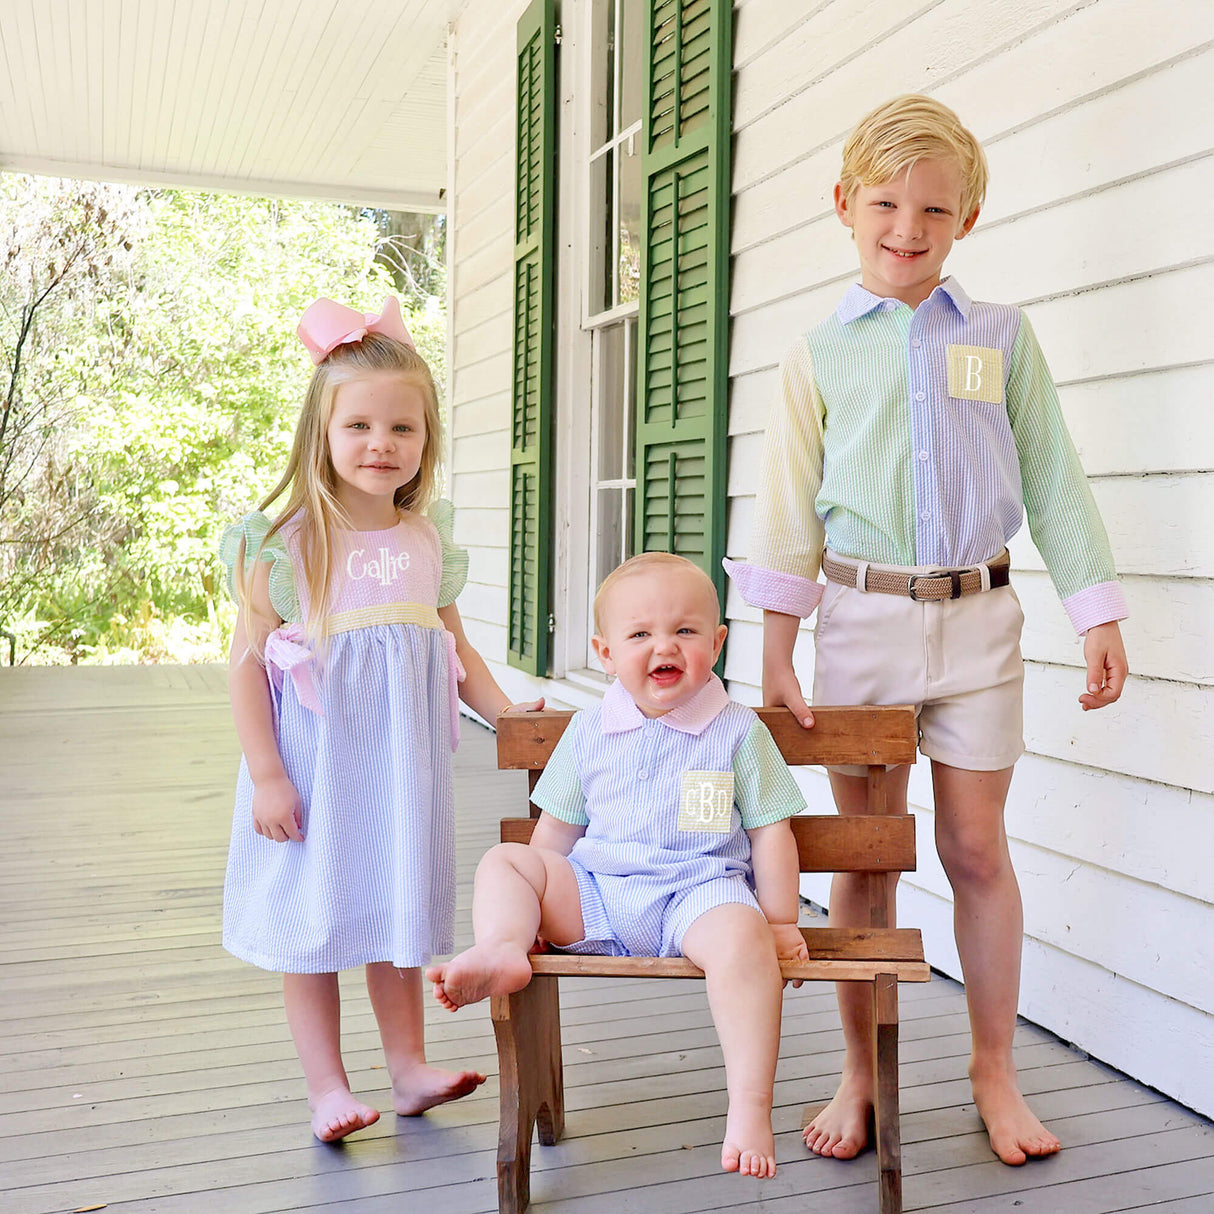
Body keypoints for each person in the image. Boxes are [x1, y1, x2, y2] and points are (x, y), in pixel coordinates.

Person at [723, 95, 1129, 1168]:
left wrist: (1094, 611)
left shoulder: (998, 338)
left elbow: (1050, 474)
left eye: (933, 209)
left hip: (979, 626)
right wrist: (773, 640)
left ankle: (990, 1065)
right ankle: (858, 1070)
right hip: (858, 625)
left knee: (972, 847)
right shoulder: (814, 354)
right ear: (843, 204)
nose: (907, 226)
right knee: (866, 858)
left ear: (968, 217)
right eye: (886, 203)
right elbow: (784, 502)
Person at [220, 296, 542, 1143]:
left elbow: (456, 656)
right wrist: (266, 774)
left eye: (402, 428)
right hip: (317, 773)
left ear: (426, 441)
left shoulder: (426, 543)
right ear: (319, 436)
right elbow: (247, 668)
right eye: (358, 425)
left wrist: (509, 715)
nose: (379, 444)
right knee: (315, 925)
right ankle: (328, 1088)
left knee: (396, 918)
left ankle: (408, 1071)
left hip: (400, 774)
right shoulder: (290, 545)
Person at [426, 552, 809, 1178]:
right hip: (600, 893)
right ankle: (502, 948)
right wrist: (538, 908)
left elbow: (771, 832)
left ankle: (749, 1104)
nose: (666, 646)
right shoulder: (588, 731)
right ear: (606, 653)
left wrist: (781, 919)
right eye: (641, 634)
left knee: (744, 939)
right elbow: (554, 836)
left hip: (700, 895)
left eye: (685, 631)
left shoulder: (737, 732)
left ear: (717, 643)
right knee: (506, 861)